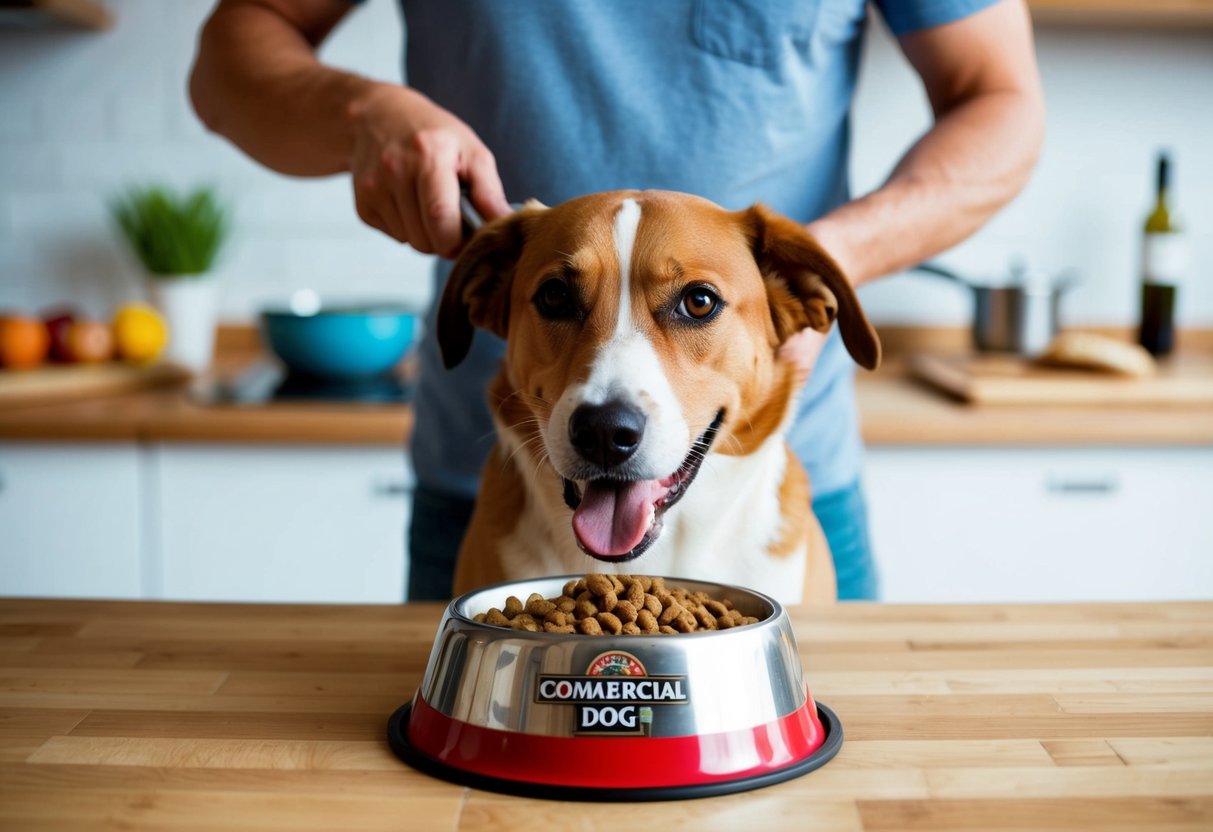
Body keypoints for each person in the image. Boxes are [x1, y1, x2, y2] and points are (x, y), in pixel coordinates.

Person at [190, 0, 1044, 602]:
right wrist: (360, 110)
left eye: (697, 304)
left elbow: (1001, 98)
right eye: (559, 298)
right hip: (493, 509)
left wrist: (827, 263)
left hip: (782, 503)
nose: (613, 397)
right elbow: (232, 52)